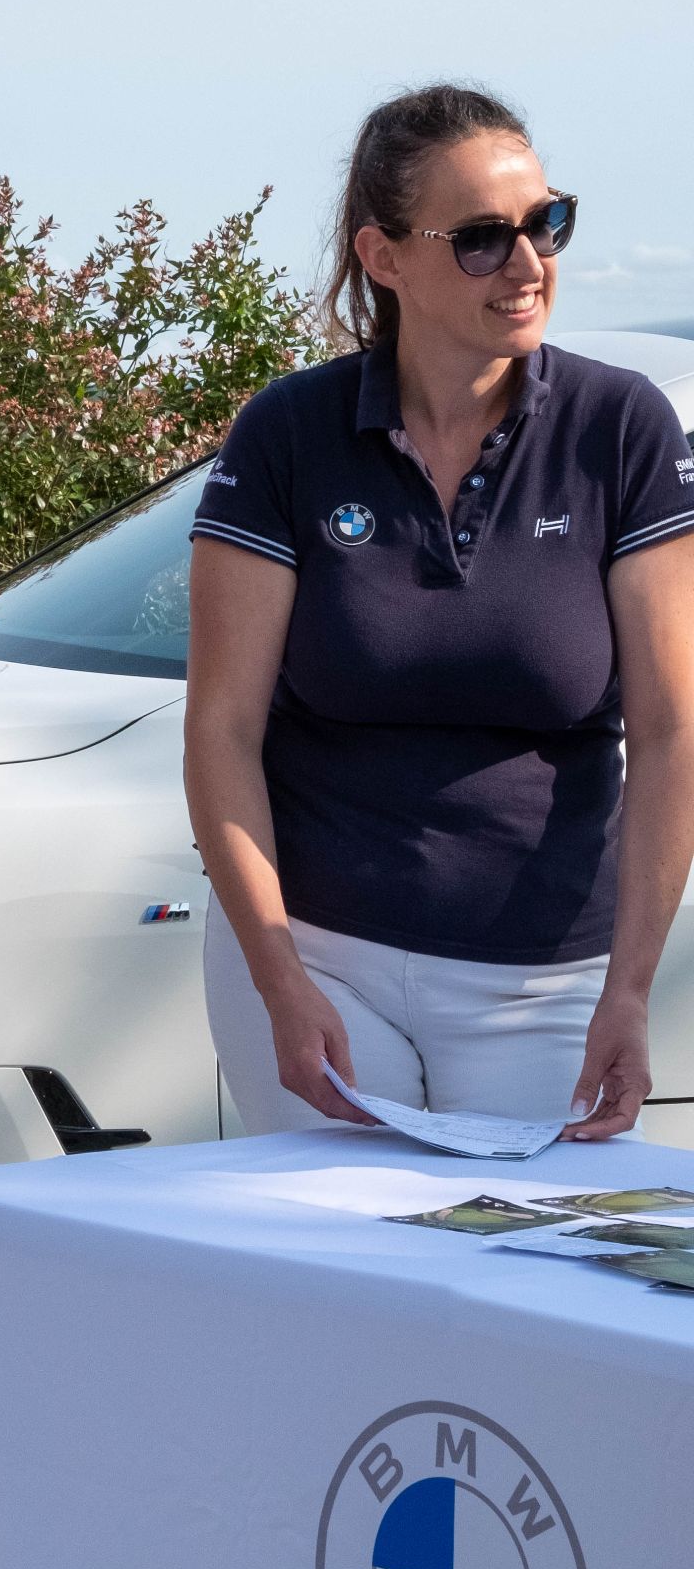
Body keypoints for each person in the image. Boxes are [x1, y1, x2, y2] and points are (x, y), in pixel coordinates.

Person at [185, 83, 694, 1141]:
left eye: (546, 222)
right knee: (340, 1252)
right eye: (481, 239)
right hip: (318, 957)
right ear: (384, 258)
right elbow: (221, 730)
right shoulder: (288, 433)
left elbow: (671, 731)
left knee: (536, 1252)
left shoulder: (622, 429)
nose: (528, 263)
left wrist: (632, 990)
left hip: (545, 988)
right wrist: (278, 978)